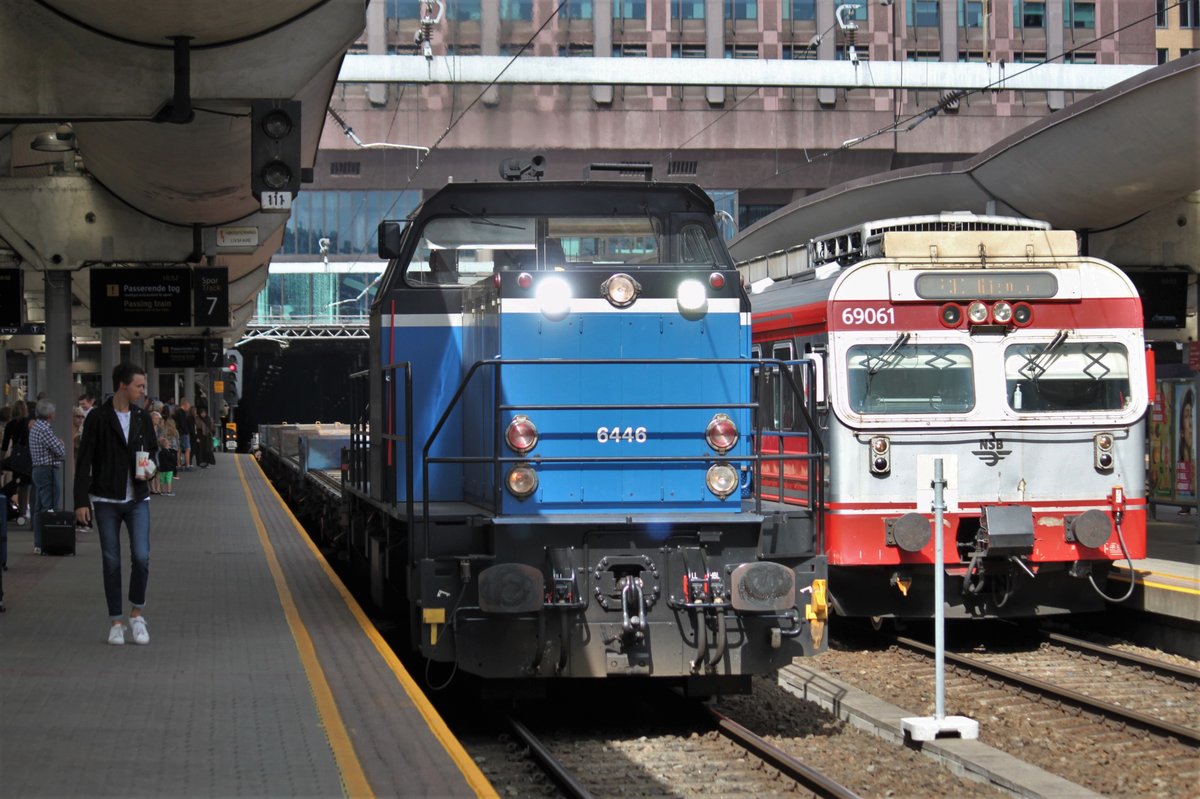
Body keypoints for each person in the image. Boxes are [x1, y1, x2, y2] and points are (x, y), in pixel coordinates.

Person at [75, 363, 158, 646]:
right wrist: (80, 500)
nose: (143, 391)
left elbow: (152, 453)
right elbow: (84, 459)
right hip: (106, 500)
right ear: (123, 385)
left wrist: (150, 471)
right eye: (139, 386)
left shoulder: (142, 417)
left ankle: (136, 614)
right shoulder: (98, 418)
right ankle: (116, 621)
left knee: (142, 557)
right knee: (111, 561)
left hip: (137, 497)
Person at [28, 399, 67, 554]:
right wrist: (61, 442)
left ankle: (38, 543)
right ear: (50, 414)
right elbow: (60, 451)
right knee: (49, 507)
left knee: (38, 509)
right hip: (47, 470)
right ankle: (48, 542)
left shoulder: (35, 427)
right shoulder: (45, 429)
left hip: (37, 469)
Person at [173, 398, 194, 472]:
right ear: (184, 404)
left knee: (179, 449)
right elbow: (183, 424)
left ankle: (178, 465)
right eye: (188, 405)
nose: (189, 407)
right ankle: (187, 465)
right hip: (184, 433)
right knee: (187, 449)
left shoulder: (177, 412)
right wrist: (187, 432)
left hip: (178, 432)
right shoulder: (182, 413)